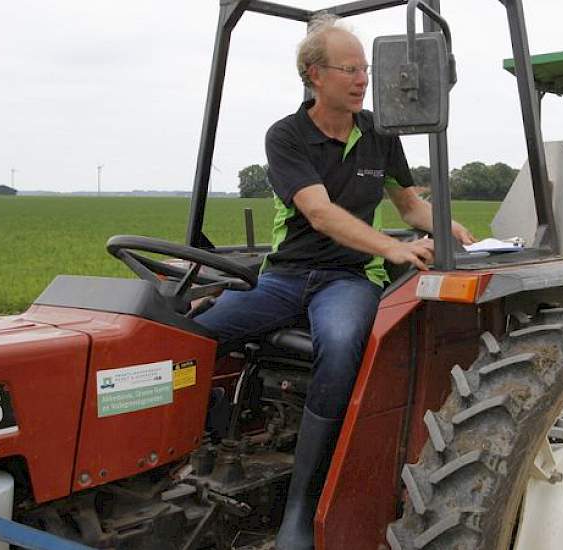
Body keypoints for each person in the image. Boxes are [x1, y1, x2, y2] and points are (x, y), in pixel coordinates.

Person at [195, 15, 474, 549]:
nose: (363, 79)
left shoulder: (379, 133)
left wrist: (445, 226)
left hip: (347, 279)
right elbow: (319, 214)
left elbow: (408, 203)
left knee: (344, 345)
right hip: (286, 276)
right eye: (351, 69)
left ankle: (301, 508)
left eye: (365, 69)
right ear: (314, 74)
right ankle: (202, 448)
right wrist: (392, 245)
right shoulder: (287, 135)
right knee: (194, 334)